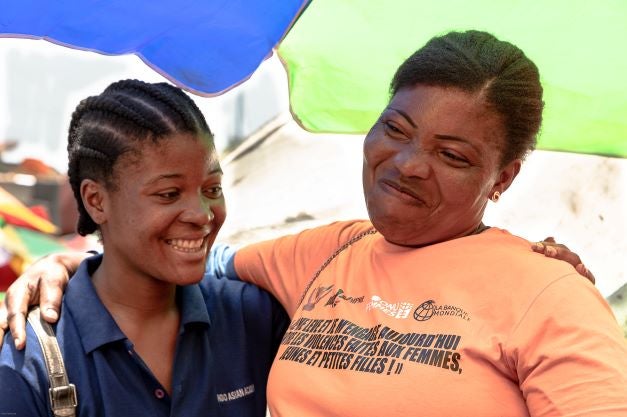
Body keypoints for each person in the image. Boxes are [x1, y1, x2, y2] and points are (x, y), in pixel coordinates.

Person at [1, 29, 624, 416]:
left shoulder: (548, 295)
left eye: (453, 155)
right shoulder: (328, 253)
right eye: (397, 130)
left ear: (504, 177)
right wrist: (74, 263)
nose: (407, 165)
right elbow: (191, 257)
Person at [0, 80, 288, 417]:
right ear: (96, 201)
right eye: (168, 194)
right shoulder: (32, 355)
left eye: (212, 188)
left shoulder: (252, 316)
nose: (201, 214)